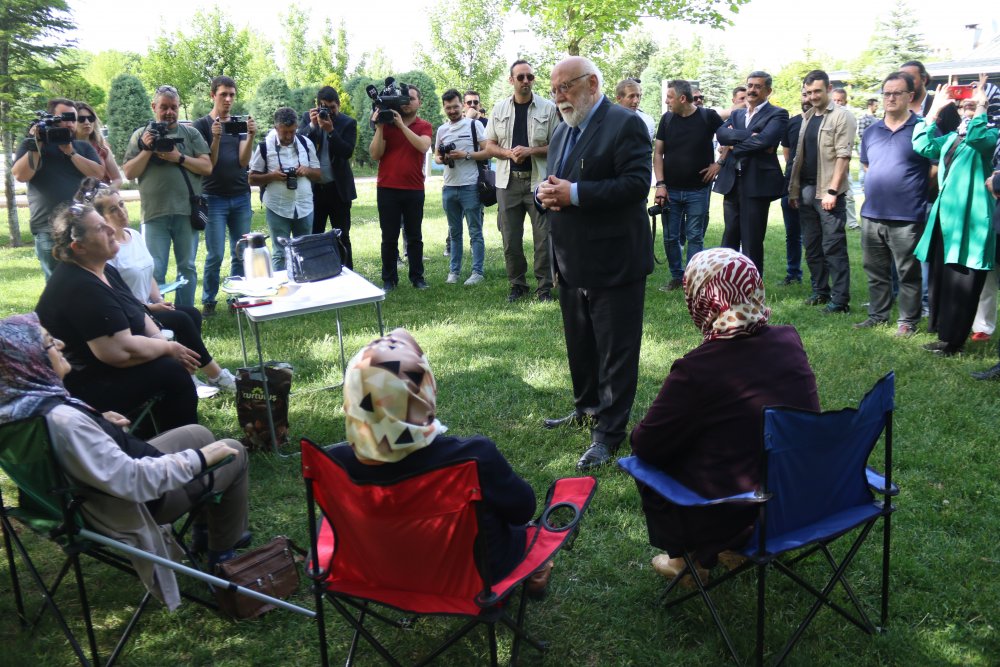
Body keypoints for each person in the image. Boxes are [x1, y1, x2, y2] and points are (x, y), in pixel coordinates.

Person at [0, 313, 250, 609]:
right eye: (48, 343)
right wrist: (199, 459)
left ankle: (205, 532)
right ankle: (222, 559)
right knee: (233, 451)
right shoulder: (64, 423)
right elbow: (135, 481)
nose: (61, 343)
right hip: (126, 508)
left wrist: (99, 424)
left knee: (197, 432)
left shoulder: (18, 410)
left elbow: (73, 448)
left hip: (78, 501)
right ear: (27, 361)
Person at [629, 248, 820, 580]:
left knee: (648, 461)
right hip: (803, 498)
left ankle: (687, 563)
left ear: (703, 301)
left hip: (736, 513)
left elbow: (647, 445)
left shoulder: (698, 369)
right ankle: (727, 551)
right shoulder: (789, 340)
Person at [333, 328, 544, 586]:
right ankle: (537, 568)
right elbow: (522, 510)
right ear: (422, 391)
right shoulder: (473, 457)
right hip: (474, 575)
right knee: (520, 528)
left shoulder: (334, 465)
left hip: (375, 572)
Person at [537, 57, 653, 471]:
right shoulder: (563, 130)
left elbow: (637, 184)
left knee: (615, 350)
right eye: (554, 91)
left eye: (565, 87)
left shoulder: (625, 123)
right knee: (581, 342)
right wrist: (544, 195)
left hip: (615, 259)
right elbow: (556, 182)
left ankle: (608, 433)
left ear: (592, 83)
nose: (559, 97)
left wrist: (576, 194)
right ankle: (586, 407)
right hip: (570, 258)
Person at [34, 202, 200, 432]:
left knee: (170, 355)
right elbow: (118, 352)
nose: (112, 230)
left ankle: (162, 437)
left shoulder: (103, 269)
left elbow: (139, 312)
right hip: (86, 387)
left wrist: (162, 340)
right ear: (78, 247)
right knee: (171, 372)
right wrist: (168, 350)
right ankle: (180, 452)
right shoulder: (80, 287)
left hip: (107, 370)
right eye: (101, 228)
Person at [84, 180, 237, 394]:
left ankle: (188, 373)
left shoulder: (134, 235)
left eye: (121, 204)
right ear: (101, 218)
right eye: (113, 209)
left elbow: (149, 274)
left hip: (148, 307)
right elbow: (115, 295)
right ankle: (216, 375)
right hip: (131, 315)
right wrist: (149, 308)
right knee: (181, 319)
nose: (121, 212)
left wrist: (157, 300)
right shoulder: (108, 250)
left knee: (191, 313)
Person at [913, 77, 999, 357]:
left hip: (971, 224)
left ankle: (955, 341)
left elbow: (977, 136)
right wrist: (934, 110)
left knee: (963, 282)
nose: (967, 108)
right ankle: (944, 334)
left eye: (973, 104)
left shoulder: (989, 136)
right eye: (964, 105)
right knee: (942, 280)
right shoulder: (952, 137)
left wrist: (983, 106)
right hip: (945, 222)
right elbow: (922, 145)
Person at [122, 85, 212, 308]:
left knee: (187, 266)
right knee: (155, 269)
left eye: (173, 107)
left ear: (179, 108)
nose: (169, 112)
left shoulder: (190, 133)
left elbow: (207, 167)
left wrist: (178, 157)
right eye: (164, 107)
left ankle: (186, 313)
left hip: (186, 212)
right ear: (154, 107)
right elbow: (129, 172)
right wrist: (147, 149)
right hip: (154, 214)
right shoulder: (140, 136)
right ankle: (159, 316)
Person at [855, 72, 930, 337]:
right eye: (887, 93)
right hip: (872, 213)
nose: (890, 98)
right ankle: (878, 315)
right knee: (875, 271)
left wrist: (912, 188)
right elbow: (866, 164)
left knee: (908, 272)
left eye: (897, 93)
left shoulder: (922, 128)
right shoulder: (872, 131)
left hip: (907, 215)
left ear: (910, 96)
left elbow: (935, 167)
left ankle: (907, 321)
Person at [484, 60, 560, 302]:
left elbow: (557, 145)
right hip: (507, 183)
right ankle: (517, 284)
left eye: (530, 77)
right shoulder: (498, 109)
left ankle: (544, 287)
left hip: (538, 183)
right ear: (511, 81)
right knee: (510, 239)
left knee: (543, 238)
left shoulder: (548, 108)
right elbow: (489, 145)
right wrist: (508, 153)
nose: (526, 81)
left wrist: (529, 151)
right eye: (521, 77)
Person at [11, 97, 104, 279]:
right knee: (58, 284)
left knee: (89, 280)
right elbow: (21, 175)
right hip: (48, 229)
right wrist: (36, 144)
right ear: (51, 119)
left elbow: (98, 173)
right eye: (65, 118)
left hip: (83, 226)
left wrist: (70, 152)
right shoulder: (33, 146)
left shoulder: (82, 147)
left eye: (73, 119)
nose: (70, 124)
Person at [788, 70, 857, 314]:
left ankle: (840, 300)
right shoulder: (807, 117)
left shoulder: (842, 116)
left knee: (833, 247)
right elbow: (800, 157)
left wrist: (832, 191)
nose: (813, 96)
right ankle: (820, 291)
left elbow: (843, 156)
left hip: (828, 194)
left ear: (828, 89)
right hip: (806, 191)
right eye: (809, 92)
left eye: (818, 91)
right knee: (812, 245)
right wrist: (795, 191)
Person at [192, 76, 257, 316]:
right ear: (213, 95)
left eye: (232, 94)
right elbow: (209, 163)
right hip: (213, 197)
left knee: (240, 251)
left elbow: (243, 161)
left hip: (240, 196)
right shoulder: (201, 126)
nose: (228, 99)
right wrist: (216, 137)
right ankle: (209, 300)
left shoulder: (238, 124)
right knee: (215, 253)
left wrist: (250, 136)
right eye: (223, 94)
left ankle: (236, 297)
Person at [714, 71, 789, 276]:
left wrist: (733, 146)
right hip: (732, 182)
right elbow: (721, 134)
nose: (752, 90)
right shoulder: (737, 114)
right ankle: (726, 282)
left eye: (757, 86)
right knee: (729, 236)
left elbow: (765, 141)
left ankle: (753, 288)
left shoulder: (778, 114)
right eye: (750, 85)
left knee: (752, 239)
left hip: (756, 184)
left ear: (768, 90)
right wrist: (748, 136)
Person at [653, 79, 722, 292]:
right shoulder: (667, 119)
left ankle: (693, 279)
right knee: (671, 237)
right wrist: (660, 185)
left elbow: (729, 140)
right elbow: (658, 153)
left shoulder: (708, 116)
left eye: (670, 97)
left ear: (683, 98)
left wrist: (719, 164)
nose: (667, 101)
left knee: (694, 236)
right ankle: (677, 276)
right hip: (670, 190)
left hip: (698, 190)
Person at [369, 82, 433, 291]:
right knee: (389, 236)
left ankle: (417, 277)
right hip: (387, 188)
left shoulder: (424, 126)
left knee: (414, 236)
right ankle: (389, 279)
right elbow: (375, 154)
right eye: (404, 99)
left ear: (419, 103)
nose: (406, 103)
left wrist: (402, 126)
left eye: (411, 99)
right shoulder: (386, 125)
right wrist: (379, 127)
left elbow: (423, 146)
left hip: (414, 189)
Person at [247, 107, 322, 271]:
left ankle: (304, 288)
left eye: (292, 132)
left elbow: (318, 174)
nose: (288, 136)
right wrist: (272, 176)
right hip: (277, 207)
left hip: (304, 206)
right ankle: (281, 293)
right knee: (280, 253)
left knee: (304, 251)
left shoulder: (305, 143)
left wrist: (306, 170)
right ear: (276, 128)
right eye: (284, 132)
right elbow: (252, 179)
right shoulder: (265, 147)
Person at [434, 89, 489, 286]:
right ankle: (454, 271)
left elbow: (487, 151)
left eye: (456, 106)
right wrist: (443, 158)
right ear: (444, 108)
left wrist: (465, 155)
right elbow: (436, 156)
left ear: (463, 106)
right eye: (448, 108)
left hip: (470, 186)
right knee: (454, 232)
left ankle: (477, 272)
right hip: (449, 186)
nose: (452, 110)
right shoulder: (441, 130)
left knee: (475, 231)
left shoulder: (474, 126)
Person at [300, 86, 358, 269]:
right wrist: (311, 127)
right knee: (313, 235)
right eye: (324, 107)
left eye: (332, 108)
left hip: (337, 189)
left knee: (342, 236)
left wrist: (331, 131)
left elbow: (346, 152)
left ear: (338, 105)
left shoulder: (348, 123)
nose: (329, 112)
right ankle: (313, 272)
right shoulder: (307, 120)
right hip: (314, 189)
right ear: (317, 106)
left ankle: (347, 275)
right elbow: (298, 144)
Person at [777, 88, 810, 287]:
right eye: (804, 95)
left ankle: (819, 279)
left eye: (811, 95)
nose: (807, 99)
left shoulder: (823, 122)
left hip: (812, 186)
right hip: (789, 183)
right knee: (793, 233)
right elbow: (787, 152)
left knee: (813, 234)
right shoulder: (793, 122)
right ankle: (793, 272)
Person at [74, 101, 123, 188]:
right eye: (81, 119)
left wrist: (106, 193)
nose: (87, 122)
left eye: (90, 118)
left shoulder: (102, 147)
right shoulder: (66, 147)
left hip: (100, 198)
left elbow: (117, 179)